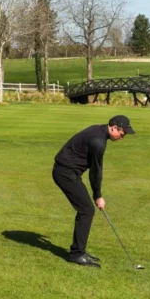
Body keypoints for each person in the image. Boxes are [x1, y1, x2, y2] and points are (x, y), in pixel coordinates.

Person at [52, 115, 135, 268]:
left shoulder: (98, 130)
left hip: (68, 172)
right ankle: (76, 254)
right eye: (122, 134)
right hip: (65, 173)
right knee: (87, 210)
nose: (122, 138)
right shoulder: (98, 142)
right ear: (114, 127)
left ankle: (79, 251)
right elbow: (96, 172)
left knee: (86, 210)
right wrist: (98, 195)